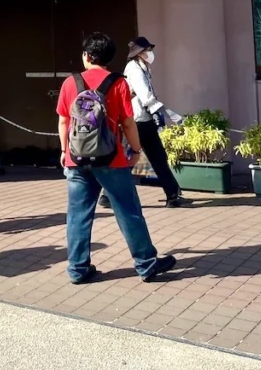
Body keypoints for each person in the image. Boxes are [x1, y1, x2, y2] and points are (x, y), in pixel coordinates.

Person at [57, 32, 176, 285]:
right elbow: (128, 123)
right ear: (109, 58)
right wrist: (136, 150)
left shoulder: (70, 83)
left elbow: (63, 121)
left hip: (76, 159)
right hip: (111, 159)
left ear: (87, 55)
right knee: (128, 210)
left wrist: (64, 151)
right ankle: (146, 264)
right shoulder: (118, 83)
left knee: (78, 215)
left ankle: (78, 269)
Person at [124, 36, 184, 208]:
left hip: (144, 119)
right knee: (133, 160)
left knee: (154, 157)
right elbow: (146, 98)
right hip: (137, 121)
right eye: (148, 50)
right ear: (139, 53)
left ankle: (173, 194)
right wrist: (171, 115)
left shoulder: (143, 68)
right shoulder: (134, 69)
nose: (151, 53)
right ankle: (172, 195)